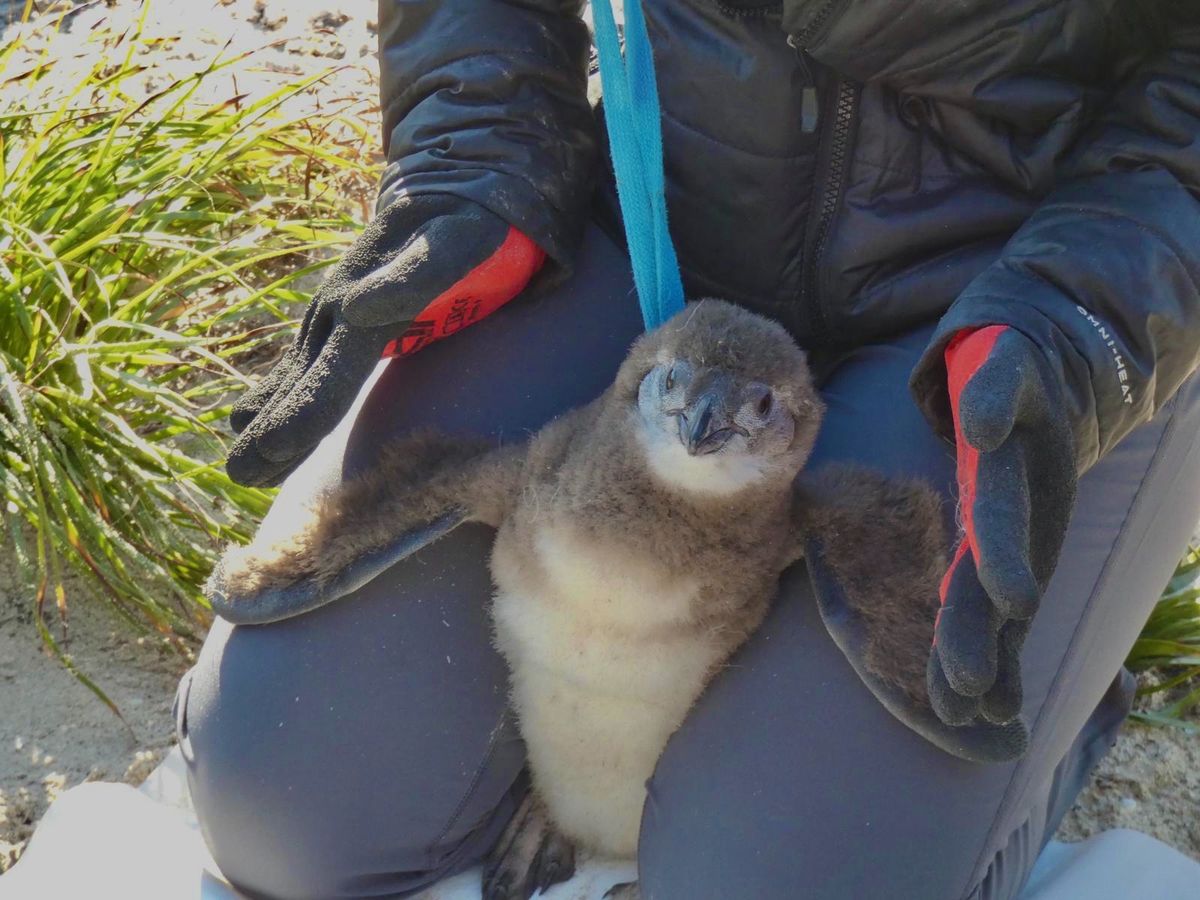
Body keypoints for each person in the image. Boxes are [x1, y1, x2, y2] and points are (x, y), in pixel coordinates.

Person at [173, 2, 1200, 898]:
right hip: (663, 213)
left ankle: (1074, 686)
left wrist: (1084, 323)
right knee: (288, 801)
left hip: (1040, 289)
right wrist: (479, 153)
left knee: (781, 883)